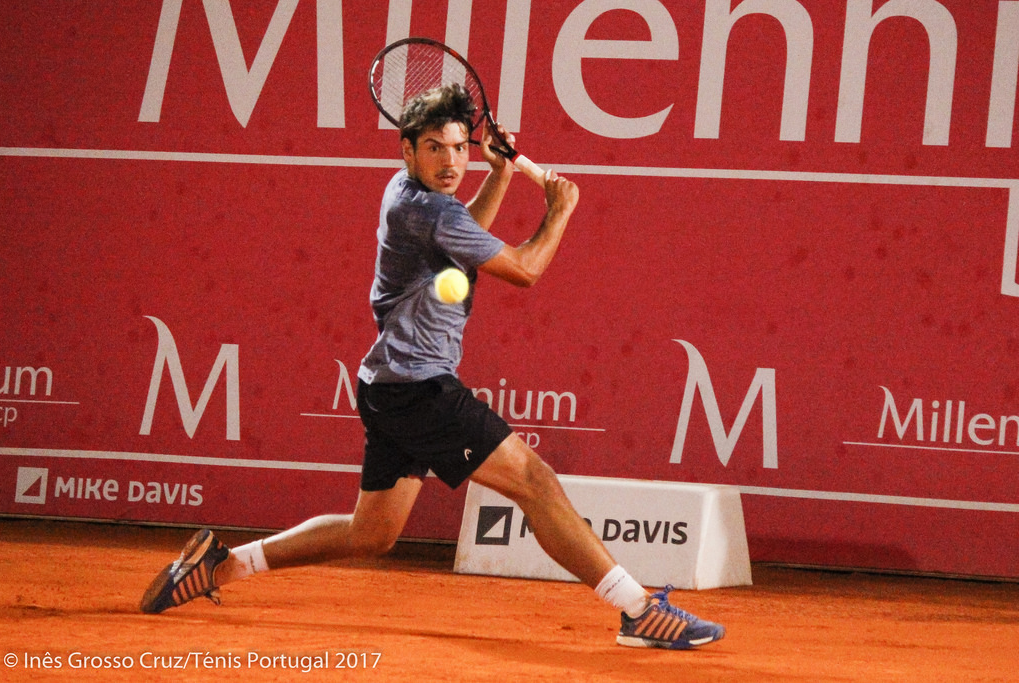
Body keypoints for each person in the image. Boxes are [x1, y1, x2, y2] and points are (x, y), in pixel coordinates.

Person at [139, 83, 724, 650]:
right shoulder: (431, 212)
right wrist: (559, 211)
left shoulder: (407, 193)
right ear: (407, 150)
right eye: (435, 148)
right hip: (420, 391)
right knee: (536, 482)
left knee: (370, 533)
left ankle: (219, 565)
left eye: (460, 148)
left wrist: (500, 174)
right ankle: (638, 610)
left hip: (386, 386)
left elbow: (464, 234)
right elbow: (524, 269)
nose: (450, 162)